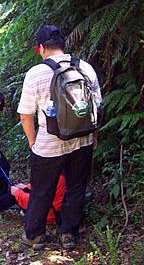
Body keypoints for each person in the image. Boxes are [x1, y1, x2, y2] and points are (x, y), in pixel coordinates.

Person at [17, 25, 102, 250]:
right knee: (76, 187)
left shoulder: (36, 73)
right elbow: (96, 107)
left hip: (48, 145)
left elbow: (26, 115)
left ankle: (35, 236)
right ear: (64, 44)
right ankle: (68, 234)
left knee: (42, 189)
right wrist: (94, 136)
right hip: (82, 140)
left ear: (41, 48)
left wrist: (32, 141)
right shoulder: (84, 67)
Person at [0, 174, 66, 224]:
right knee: (20, 190)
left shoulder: (54, 177)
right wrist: (26, 187)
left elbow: (38, 202)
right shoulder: (63, 175)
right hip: (59, 213)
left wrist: (18, 193)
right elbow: (41, 189)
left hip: (49, 215)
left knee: (14, 194)